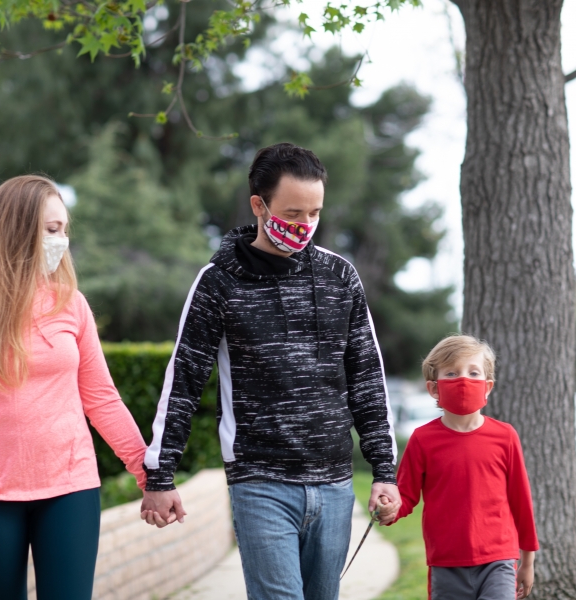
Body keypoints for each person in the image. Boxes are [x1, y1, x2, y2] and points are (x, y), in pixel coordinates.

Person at [140, 143, 400, 600]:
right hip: (260, 483)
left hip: (335, 484)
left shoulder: (341, 277)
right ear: (258, 205)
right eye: (293, 212)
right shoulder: (218, 281)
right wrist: (160, 477)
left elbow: (366, 379)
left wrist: (384, 470)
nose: (304, 226)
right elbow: (183, 381)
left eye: (314, 212)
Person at [0, 175, 148, 600]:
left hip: (70, 488)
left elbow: (101, 399)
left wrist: (149, 475)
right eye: (51, 230)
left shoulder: (71, 304)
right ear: (15, 231)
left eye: (63, 230)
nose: (61, 241)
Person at [383, 334, 538, 600]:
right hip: (446, 562)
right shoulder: (422, 439)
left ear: (488, 387)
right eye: (452, 373)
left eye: (474, 372)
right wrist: (389, 509)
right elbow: (406, 496)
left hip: (499, 559)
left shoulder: (506, 436)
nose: (464, 380)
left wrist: (528, 561)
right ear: (434, 388)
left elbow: (521, 501)